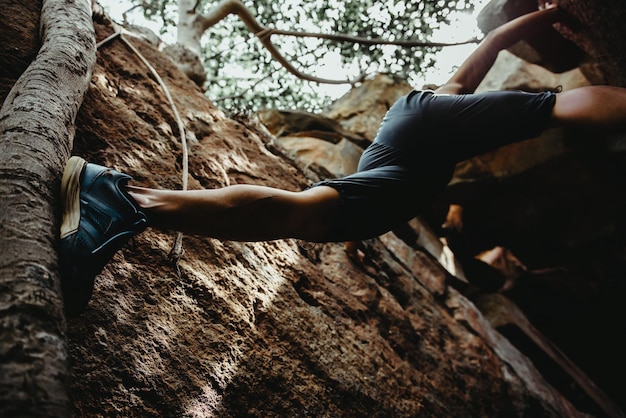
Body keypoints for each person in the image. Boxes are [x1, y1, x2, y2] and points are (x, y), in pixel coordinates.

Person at [59, 3, 626, 314]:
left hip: (406, 136)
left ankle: (126, 205)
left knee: (315, 214)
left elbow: (483, 54)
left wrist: (533, 18)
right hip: (409, 143)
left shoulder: (440, 110)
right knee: (551, 108)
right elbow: (507, 74)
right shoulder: (443, 127)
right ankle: (126, 200)